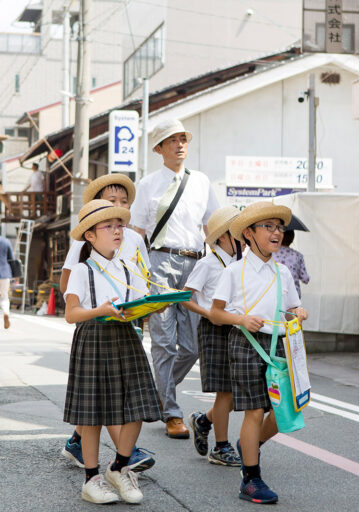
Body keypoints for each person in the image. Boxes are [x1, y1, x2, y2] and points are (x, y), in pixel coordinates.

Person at [63, 199, 162, 504]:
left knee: (139, 406)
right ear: (90, 235)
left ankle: (118, 467)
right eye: (109, 226)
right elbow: (71, 314)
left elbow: (137, 305)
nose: (118, 231)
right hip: (93, 337)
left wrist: (151, 306)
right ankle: (91, 479)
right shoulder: (82, 269)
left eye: (119, 225)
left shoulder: (127, 266)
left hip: (125, 337)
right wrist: (100, 310)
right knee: (92, 415)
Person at [209, 201, 308, 504]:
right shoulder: (234, 272)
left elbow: (290, 308)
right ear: (249, 233)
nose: (277, 233)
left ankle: (250, 444)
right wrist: (241, 319)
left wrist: (298, 312)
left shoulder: (284, 272)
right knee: (254, 410)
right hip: (245, 342)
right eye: (268, 227)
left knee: (286, 409)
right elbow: (215, 314)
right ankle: (251, 478)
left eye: (279, 227)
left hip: (279, 344)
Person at [129, 118, 220, 439]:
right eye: (172, 140)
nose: (180, 144)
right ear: (159, 149)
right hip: (159, 262)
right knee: (164, 342)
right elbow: (137, 231)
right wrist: (135, 272)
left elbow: (213, 229)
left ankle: (158, 391)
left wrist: (223, 266)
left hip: (195, 265)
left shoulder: (202, 182)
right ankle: (171, 413)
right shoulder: (147, 184)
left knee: (194, 346)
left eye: (183, 139)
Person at [183, 206, 244, 467]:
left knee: (237, 391)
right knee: (225, 392)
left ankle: (203, 421)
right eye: (236, 233)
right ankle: (221, 446)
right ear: (221, 236)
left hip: (236, 328)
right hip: (214, 329)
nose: (241, 238)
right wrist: (207, 312)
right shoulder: (207, 263)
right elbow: (185, 296)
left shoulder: (241, 264)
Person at [272, 229, 310, 298]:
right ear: (292, 239)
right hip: (293, 295)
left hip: (275, 293)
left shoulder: (271, 254)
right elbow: (305, 279)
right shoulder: (298, 255)